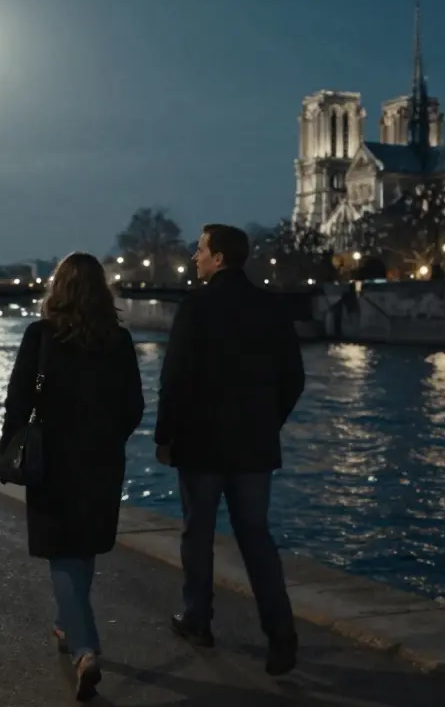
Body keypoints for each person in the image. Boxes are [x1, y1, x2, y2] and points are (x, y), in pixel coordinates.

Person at [154, 223, 305, 676]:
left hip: (201, 445)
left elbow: (174, 380)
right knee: (256, 538)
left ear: (218, 258)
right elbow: (293, 378)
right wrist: (266, 423)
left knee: (197, 535)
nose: (195, 257)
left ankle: (197, 619)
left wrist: (165, 437)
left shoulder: (195, 308)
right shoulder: (271, 308)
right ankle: (281, 635)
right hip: (255, 448)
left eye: (200, 250)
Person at [0, 252, 144, 702]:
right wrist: (109, 437)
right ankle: (68, 622)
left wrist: (9, 447)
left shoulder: (40, 336)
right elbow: (134, 406)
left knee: (61, 551)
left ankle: (84, 649)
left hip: (52, 458)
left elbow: (18, 400)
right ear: (102, 291)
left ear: (57, 289)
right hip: (101, 458)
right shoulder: (117, 340)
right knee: (82, 546)